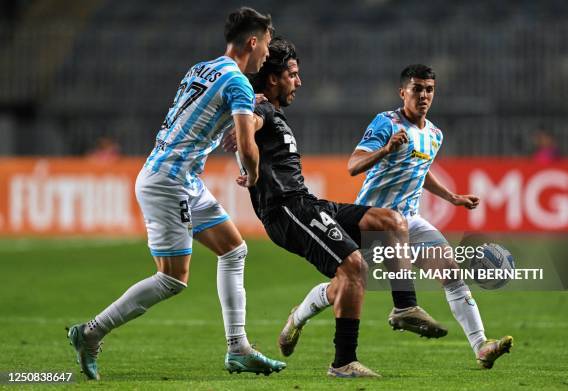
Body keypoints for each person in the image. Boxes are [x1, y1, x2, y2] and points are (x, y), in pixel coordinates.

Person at [67, 7, 286, 380]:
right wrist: (250, 173)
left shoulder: (202, 69)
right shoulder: (238, 83)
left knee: (234, 250)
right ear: (253, 41)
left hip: (181, 178)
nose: (268, 51)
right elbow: (247, 146)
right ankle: (89, 333)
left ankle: (238, 348)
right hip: (168, 182)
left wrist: (250, 108)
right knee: (172, 278)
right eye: (266, 43)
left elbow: (201, 116)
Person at [226, 37, 418, 378]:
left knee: (388, 222)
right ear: (273, 79)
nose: (298, 82)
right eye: (293, 75)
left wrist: (252, 165)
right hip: (288, 211)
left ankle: (403, 307)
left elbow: (253, 143)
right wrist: (248, 153)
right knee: (354, 268)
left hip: (308, 202)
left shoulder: (273, 113)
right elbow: (248, 128)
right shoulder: (261, 108)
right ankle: (343, 362)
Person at [345, 64, 513, 369]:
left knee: (451, 270)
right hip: (372, 220)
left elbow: (420, 171)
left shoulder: (434, 134)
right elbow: (353, 166)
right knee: (346, 284)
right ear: (403, 92)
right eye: (417, 89)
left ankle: (481, 346)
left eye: (429, 89)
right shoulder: (386, 123)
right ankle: (298, 316)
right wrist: (384, 149)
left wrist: (452, 197)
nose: (424, 95)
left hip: (409, 220)